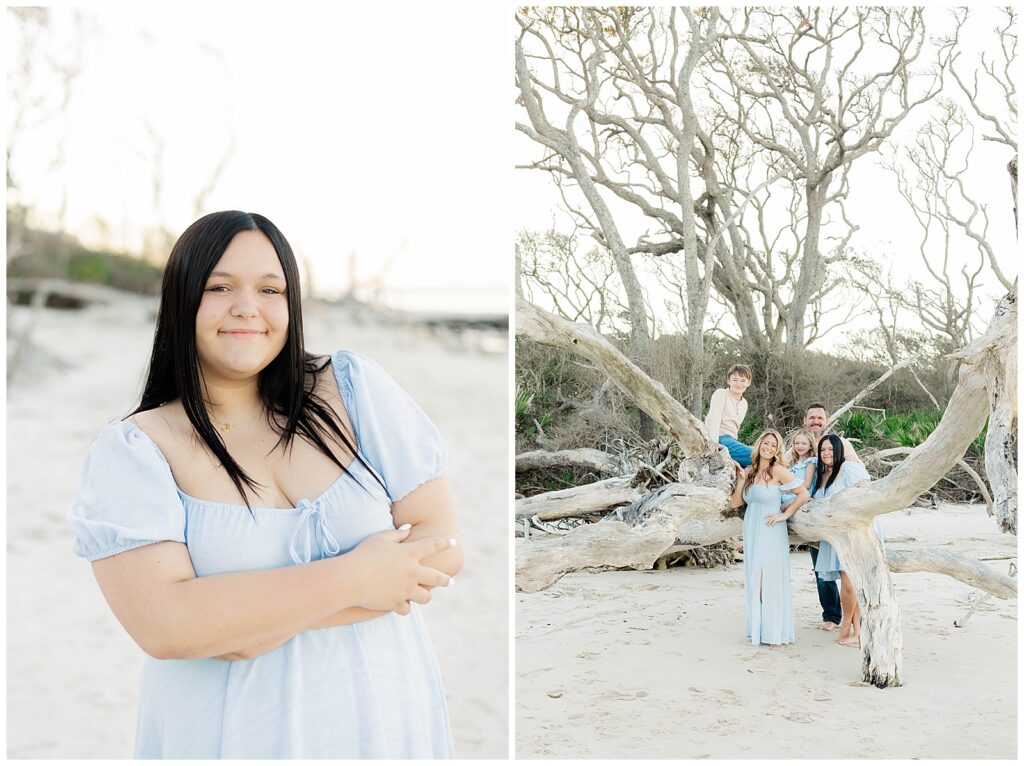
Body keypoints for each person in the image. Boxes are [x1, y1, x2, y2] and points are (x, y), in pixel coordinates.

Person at [68, 211, 463, 758]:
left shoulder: (353, 390)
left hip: (386, 724)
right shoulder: (136, 451)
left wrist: (249, 627)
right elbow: (166, 626)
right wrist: (357, 577)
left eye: (269, 288)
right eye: (219, 286)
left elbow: (441, 544)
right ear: (182, 301)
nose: (246, 307)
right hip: (230, 739)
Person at [730, 429, 810, 648]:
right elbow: (736, 504)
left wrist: (785, 513)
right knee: (755, 579)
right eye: (766, 443)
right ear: (759, 444)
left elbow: (803, 494)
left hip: (771, 529)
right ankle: (758, 628)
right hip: (752, 529)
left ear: (777, 450)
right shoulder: (749, 470)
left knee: (769, 580)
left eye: (773, 445)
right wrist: (740, 480)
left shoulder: (778, 470)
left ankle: (775, 632)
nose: (768, 448)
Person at [810, 434, 881, 648]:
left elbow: (866, 491)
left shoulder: (849, 468)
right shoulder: (822, 476)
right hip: (835, 534)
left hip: (853, 532)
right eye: (823, 450)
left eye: (831, 450)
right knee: (848, 581)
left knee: (850, 584)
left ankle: (849, 627)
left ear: (840, 451)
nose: (827, 454)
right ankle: (855, 629)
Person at [802, 402, 860, 631]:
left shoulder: (840, 443)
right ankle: (831, 615)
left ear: (826, 421)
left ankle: (855, 620)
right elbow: (785, 466)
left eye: (819, 418)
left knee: (849, 575)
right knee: (821, 571)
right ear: (805, 420)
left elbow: (856, 469)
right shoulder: (801, 441)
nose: (815, 421)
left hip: (841, 518)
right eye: (811, 418)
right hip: (814, 518)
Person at [705, 364, 754, 467]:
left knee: (760, 457)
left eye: (743, 381)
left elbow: (736, 427)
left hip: (732, 440)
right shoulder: (721, 394)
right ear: (729, 380)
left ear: (748, 383)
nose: (739, 384)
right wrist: (713, 446)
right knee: (755, 456)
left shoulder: (744, 403)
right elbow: (714, 419)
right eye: (735, 380)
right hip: (719, 438)